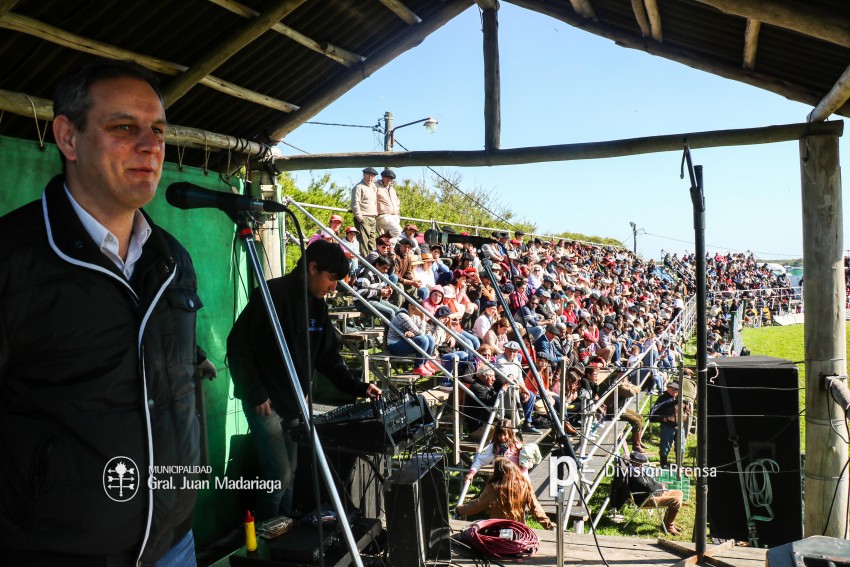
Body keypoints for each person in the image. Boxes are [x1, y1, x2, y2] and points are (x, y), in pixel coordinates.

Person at [0, 60, 202, 565]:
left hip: (174, 543)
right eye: (124, 127)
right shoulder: (11, 259)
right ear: (68, 138)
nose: (151, 146)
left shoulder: (173, 260)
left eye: (158, 130)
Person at [227, 240, 382, 520]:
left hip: (293, 403)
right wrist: (255, 392)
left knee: (292, 472)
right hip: (265, 402)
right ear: (312, 268)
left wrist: (359, 387)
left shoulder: (318, 306)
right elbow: (238, 345)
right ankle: (264, 534)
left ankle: (283, 528)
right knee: (279, 475)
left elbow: (329, 359)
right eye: (331, 278)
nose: (334, 287)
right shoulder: (272, 294)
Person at [456, 458, 554, 529]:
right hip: (518, 527)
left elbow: (478, 505)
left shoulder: (494, 488)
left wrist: (460, 510)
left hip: (497, 527)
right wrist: (549, 525)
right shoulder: (524, 485)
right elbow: (535, 508)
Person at [626, 451, 683, 535]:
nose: (642, 465)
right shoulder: (633, 474)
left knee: (678, 493)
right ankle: (669, 526)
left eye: (642, 463)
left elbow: (652, 481)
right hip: (646, 499)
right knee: (676, 500)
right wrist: (660, 487)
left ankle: (666, 522)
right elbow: (648, 488)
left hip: (653, 494)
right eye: (640, 462)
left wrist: (659, 486)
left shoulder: (639, 470)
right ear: (634, 462)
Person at [650, 381, 689, 467]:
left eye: (676, 389)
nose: (675, 391)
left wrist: (683, 417)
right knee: (665, 446)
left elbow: (687, 410)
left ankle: (679, 464)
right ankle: (664, 465)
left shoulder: (682, 399)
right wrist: (664, 419)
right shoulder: (662, 399)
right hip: (667, 426)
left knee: (680, 446)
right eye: (672, 389)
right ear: (668, 389)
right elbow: (655, 412)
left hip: (680, 426)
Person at [351, 167, 378, 254]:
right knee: (363, 244)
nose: (370, 177)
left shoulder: (373, 187)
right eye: (368, 175)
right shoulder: (358, 187)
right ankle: (364, 262)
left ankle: (372, 261)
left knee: (372, 244)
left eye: (373, 176)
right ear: (363, 175)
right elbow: (355, 204)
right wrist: (360, 218)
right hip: (364, 218)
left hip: (373, 218)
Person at [375, 169, 402, 243]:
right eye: (387, 178)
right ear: (382, 177)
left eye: (391, 178)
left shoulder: (392, 189)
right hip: (383, 215)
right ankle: (379, 241)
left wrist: (397, 210)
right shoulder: (375, 186)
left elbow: (397, 201)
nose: (389, 180)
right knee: (397, 230)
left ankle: (389, 248)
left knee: (394, 238)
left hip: (395, 215)